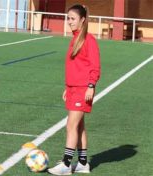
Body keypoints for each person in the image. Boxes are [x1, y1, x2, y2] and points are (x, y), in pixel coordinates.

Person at [48, 4, 101, 175]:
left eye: (72, 19)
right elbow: (74, 67)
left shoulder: (89, 40)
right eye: (68, 18)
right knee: (79, 127)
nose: (69, 21)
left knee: (70, 126)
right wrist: (67, 87)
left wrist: (91, 86)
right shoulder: (75, 38)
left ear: (82, 20)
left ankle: (66, 164)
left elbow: (95, 66)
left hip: (83, 89)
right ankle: (83, 163)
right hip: (73, 89)